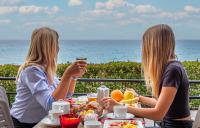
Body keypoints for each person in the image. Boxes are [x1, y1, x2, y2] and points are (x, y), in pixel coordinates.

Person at [102, 24, 193, 128]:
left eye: (146, 45)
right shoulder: (172, 67)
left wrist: (119, 107)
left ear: (154, 46)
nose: (144, 50)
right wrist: (139, 98)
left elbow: (158, 113)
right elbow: (160, 104)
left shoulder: (173, 70)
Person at [10, 27, 87, 128]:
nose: (58, 48)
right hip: (25, 124)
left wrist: (73, 77)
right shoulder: (31, 71)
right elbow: (52, 106)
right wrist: (67, 74)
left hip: (44, 120)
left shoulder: (46, 68)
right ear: (48, 46)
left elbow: (66, 96)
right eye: (56, 44)